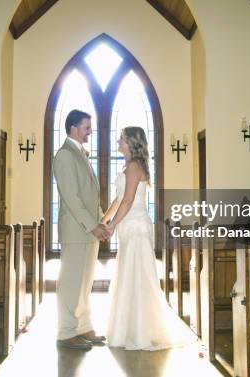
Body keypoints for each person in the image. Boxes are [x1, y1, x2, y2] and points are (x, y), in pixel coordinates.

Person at [103, 126, 196, 350]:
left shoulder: (135, 167)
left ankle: (140, 331)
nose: (118, 142)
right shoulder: (129, 166)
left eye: (122, 140)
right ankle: (127, 329)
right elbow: (118, 199)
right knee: (128, 275)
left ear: (131, 143)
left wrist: (112, 225)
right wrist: (103, 219)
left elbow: (127, 201)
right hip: (128, 225)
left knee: (138, 277)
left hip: (135, 227)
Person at [53, 109, 111, 350]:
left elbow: (91, 196)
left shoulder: (81, 154)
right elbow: (72, 198)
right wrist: (91, 225)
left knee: (85, 283)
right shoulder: (65, 155)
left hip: (89, 230)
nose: (90, 131)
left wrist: (102, 223)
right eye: (87, 127)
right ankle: (66, 333)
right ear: (74, 128)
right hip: (76, 230)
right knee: (71, 283)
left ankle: (84, 327)